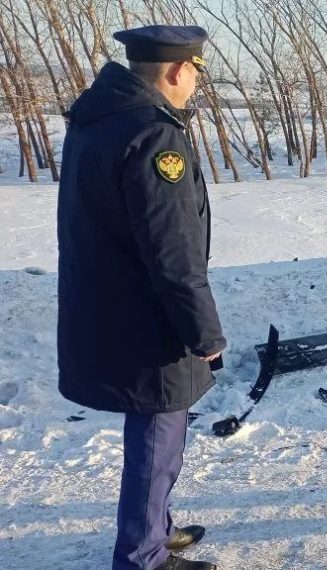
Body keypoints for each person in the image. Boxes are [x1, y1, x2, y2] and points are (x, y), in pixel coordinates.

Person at [57, 25, 226, 570]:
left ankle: (156, 528)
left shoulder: (101, 121)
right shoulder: (155, 136)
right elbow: (173, 253)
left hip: (111, 307)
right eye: (196, 73)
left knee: (158, 435)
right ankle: (143, 557)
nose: (195, 84)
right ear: (179, 71)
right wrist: (204, 334)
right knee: (158, 439)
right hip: (148, 320)